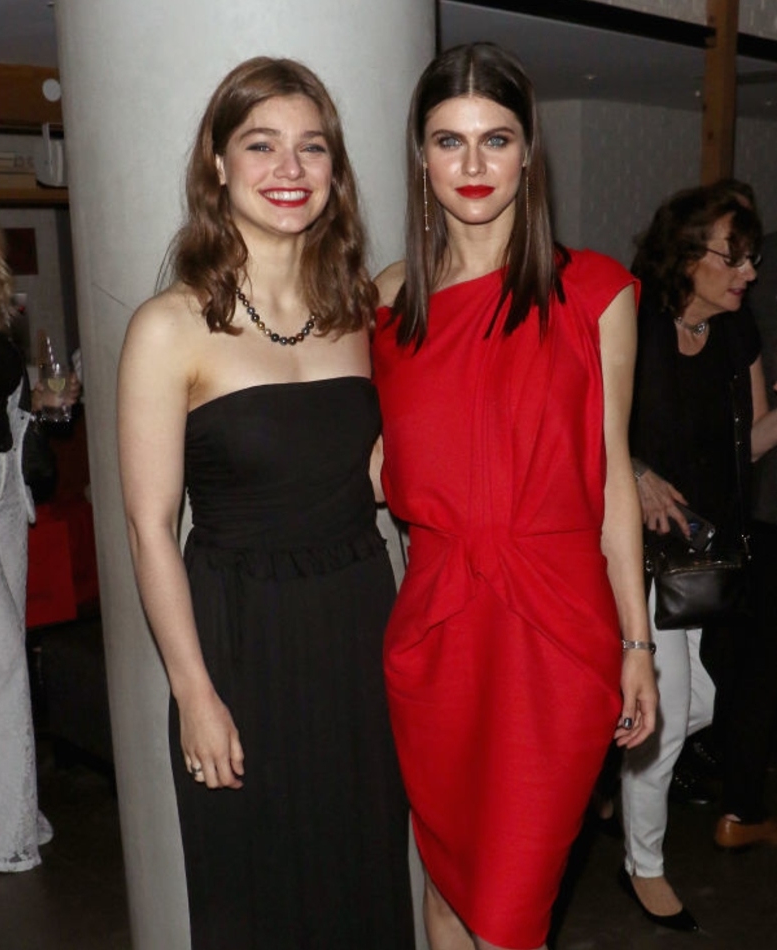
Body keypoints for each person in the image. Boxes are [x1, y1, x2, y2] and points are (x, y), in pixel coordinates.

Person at [117, 58, 414, 950]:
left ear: (335, 171)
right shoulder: (168, 326)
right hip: (239, 634)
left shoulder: (365, 311)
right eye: (261, 145)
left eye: (311, 148)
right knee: (253, 889)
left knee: (362, 869)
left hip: (360, 619)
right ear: (217, 164)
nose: (290, 169)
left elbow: (375, 477)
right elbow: (148, 529)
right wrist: (193, 692)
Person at [371, 43, 658, 950]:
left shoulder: (598, 292)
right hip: (438, 626)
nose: (472, 166)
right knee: (451, 886)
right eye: (448, 142)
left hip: (558, 628)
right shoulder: (386, 304)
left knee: (510, 910)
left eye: (495, 140)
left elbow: (612, 476)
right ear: (419, 157)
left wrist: (637, 641)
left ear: (530, 151)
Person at [622, 182, 777, 929]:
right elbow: (583, 425)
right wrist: (638, 472)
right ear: (687, 255)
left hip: (705, 558)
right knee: (665, 714)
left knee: (696, 705)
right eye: (735, 256)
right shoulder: (636, 324)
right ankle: (643, 867)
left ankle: (603, 775)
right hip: (638, 556)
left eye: (752, 258)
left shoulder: (739, 335)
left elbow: (749, 443)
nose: (748, 273)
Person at [0, 181, 53, 871]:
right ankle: (1, 838)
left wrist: (48, 400)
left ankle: (9, 805)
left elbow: (13, 400)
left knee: (3, 650)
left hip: (5, 485)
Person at [711, 227, 777, 848]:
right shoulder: (732, 307)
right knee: (749, 667)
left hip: (746, 509)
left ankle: (740, 803)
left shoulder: (744, 298)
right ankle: (741, 806)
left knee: (741, 666)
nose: (746, 270)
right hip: (748, 511)